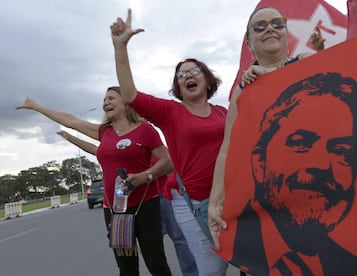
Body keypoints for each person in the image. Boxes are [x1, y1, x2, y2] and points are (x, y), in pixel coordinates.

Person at [110, 9, 228, 276]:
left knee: (243, 260)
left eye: (194, 71)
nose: (188, 75)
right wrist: (120, 48)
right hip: (193, 203)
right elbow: (129, 94)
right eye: (181, 74)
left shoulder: (223, 112)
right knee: (213, 269)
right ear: (178, 85)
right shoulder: (170, 112)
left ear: (207, 79)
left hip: (228, 197)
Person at [231, 72, 357, 275]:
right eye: (300, 143)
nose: (321, 166)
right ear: (259, 162)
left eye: (341, 151)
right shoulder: (234, 245)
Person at [16, 87, 174, 276]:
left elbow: (168, 162)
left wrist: (144, 176)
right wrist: (36, 106)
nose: (106, 102)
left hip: (145, 205)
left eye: (111, 98)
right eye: (104, 99)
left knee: (156, 263)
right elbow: (71, 121)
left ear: (126, 103)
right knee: (126, 267)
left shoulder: (145, 130)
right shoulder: (104, 132)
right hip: (114, 209)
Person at [209, 6, 326, 248]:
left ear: (286, 33)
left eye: (277, 23)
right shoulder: (242, 92)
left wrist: (270, 74)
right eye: (259, 27)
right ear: (250, 44)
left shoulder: (305, 61)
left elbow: (338, 81)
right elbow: (227, 148)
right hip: (269, 199)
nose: (269, 28)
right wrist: (214, 203)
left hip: (318, 188)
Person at [58, 130, 198, 276]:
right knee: (127, 264)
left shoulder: (148, 138)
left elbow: (168, 163)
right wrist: (70, 137)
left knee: (166, 251)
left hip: (158, 200)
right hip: (121, 207)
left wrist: (145, 176)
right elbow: (94, 148)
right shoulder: (116, 144)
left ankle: (192, 273)